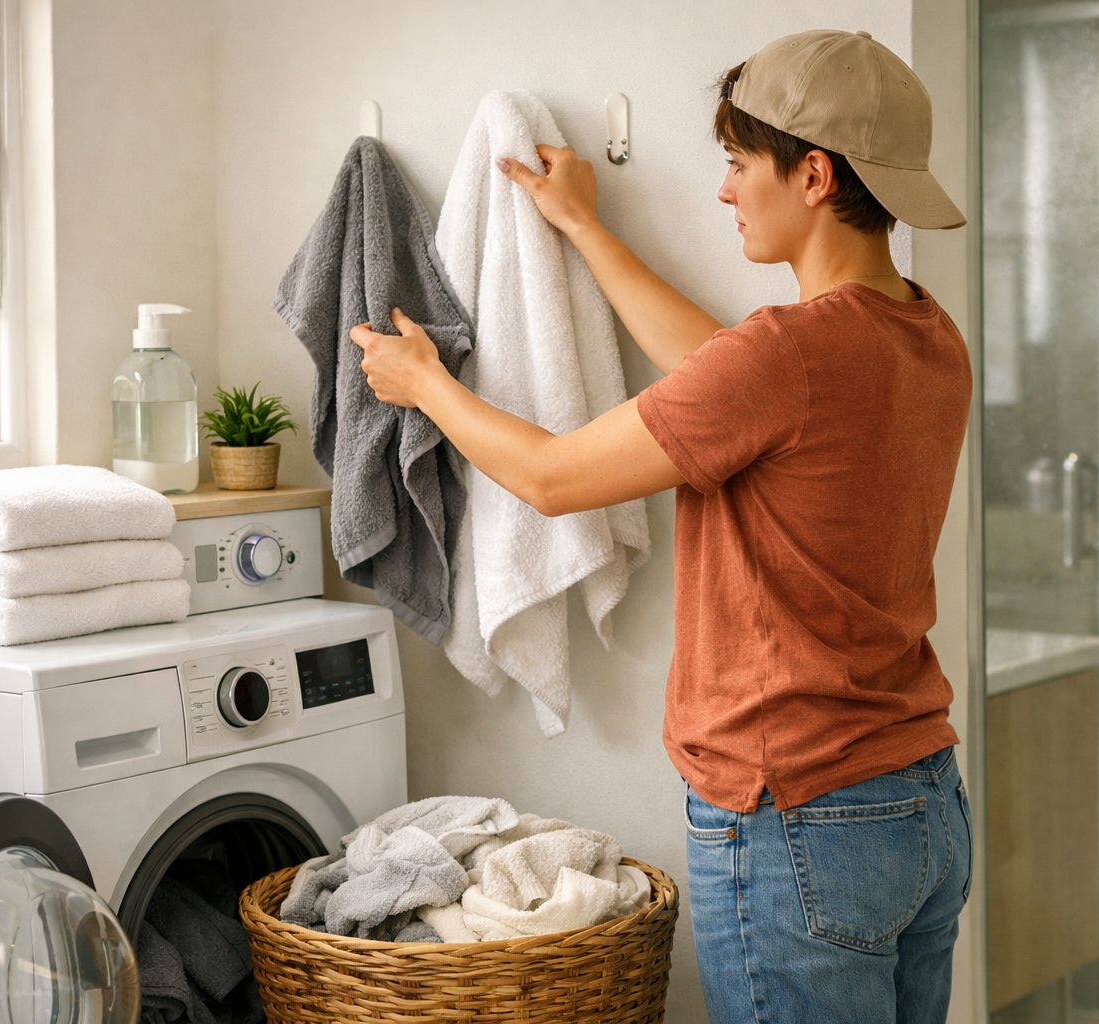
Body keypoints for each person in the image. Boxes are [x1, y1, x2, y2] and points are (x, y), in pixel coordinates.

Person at [350, 28, 973, 1024]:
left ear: (812, 175)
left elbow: (553, 479)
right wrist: (585, 228)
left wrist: (423, 383)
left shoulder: (787, 357)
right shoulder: (927, 336)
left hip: (794, 815)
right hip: (917, 806)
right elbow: (720, 374)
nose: (725, 190)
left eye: (737, 164)